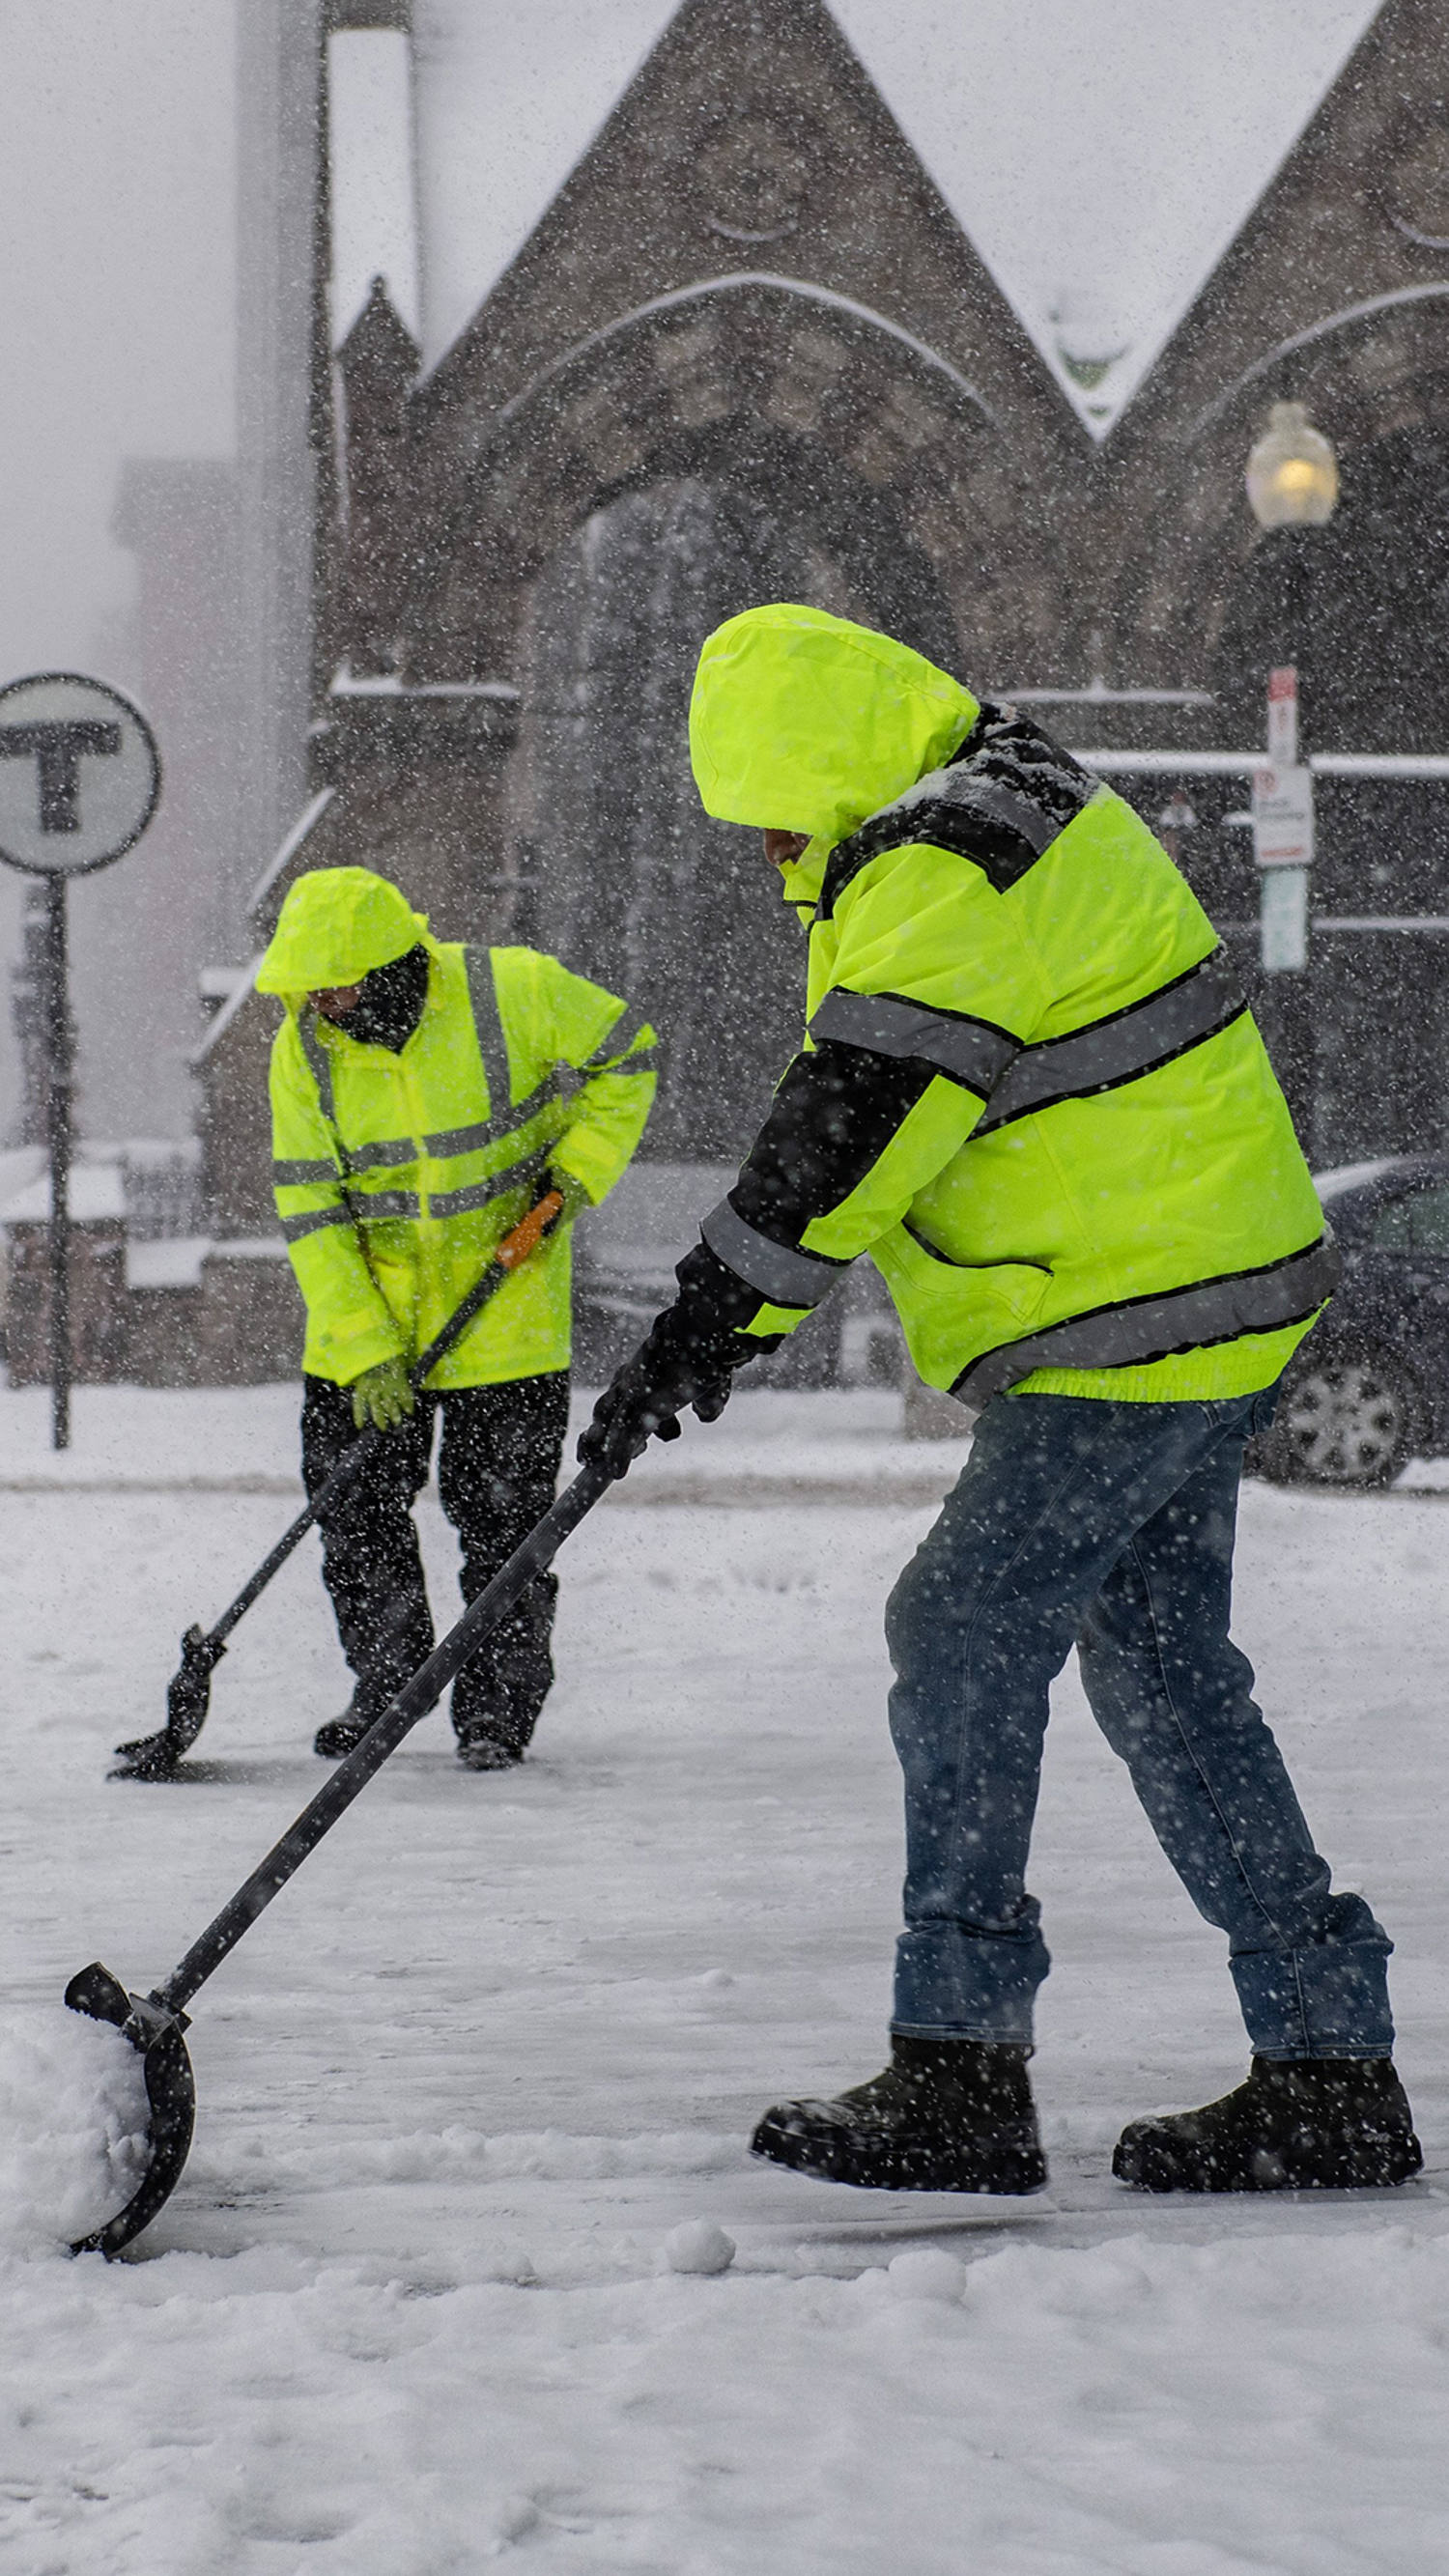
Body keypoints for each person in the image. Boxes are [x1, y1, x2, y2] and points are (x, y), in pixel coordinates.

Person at [582, 603, 1421, 2195]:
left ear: (818, 764)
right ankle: (1327, 2064)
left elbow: (861, 1106)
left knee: (960, 1627)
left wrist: (711, 1310)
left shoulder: (944, 864)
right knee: (1168, 1672)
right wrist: (722, 1315)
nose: (763, 847)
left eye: (765, 807)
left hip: (1128, 1308)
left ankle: (961, 2063)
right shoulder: (997, 803)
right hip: (1192, 1289)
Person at [256, 864, 656, 1769]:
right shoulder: (306, 1049)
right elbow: (313, 1210)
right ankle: (389, 1686)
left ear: (392, 964)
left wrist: (573, 1177)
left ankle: (495, 1714)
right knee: (355, 1512)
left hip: (503, 1312)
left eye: (339, 980)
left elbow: (628, 1054)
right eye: (311, 985)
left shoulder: (508, 990)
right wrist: (364, 1352)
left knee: (503, 1526)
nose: (324, 1001)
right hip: (365, 1328)